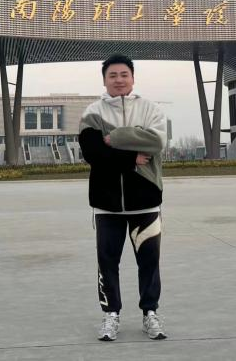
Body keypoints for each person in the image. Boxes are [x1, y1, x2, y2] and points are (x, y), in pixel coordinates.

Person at [79, 54, 168, 341]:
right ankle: (111, 314)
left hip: (146, 200)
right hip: (106, 204)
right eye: (112, 75)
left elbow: (156, 142)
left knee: (149, 262)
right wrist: (131, 157)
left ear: (132, 77)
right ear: (104, 79)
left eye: (124, 74)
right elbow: (93, 153)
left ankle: (150, 313)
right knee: (107, 263)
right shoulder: (92, 113)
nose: (119, 80)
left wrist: (115, 138)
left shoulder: (150, 109)